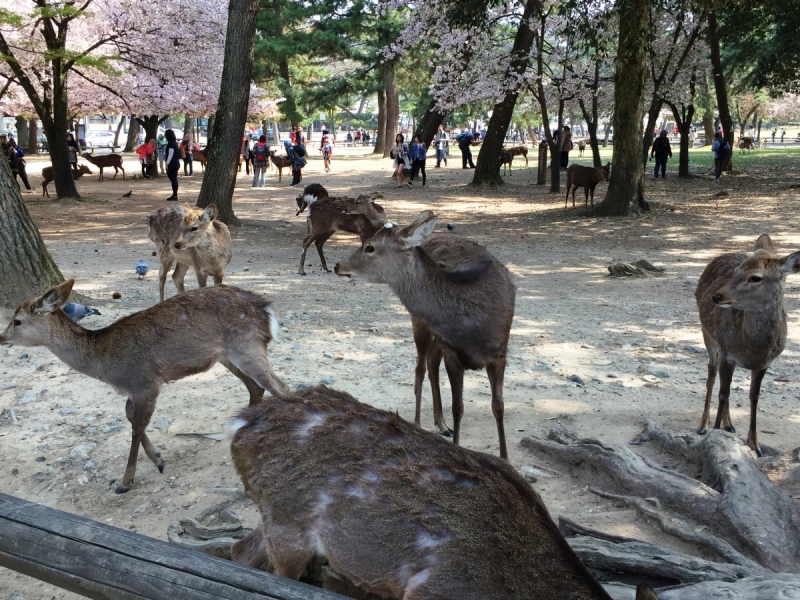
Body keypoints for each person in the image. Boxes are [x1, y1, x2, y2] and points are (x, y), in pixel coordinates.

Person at [164, 129, 180, 201]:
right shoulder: (175, 143)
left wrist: (167, 164)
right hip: (176, 162)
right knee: (174, 179)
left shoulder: (171, 144)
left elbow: (170, 154)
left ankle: (175, 195)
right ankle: (175, 194)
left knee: (173, 179)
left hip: (172, 163)